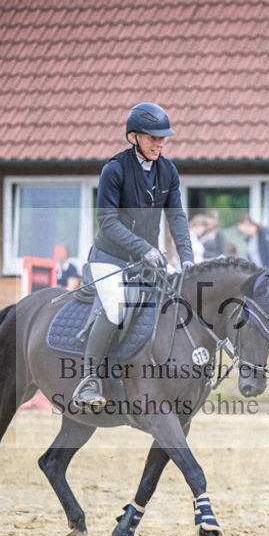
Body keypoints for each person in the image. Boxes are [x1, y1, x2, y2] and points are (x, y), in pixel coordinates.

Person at [72, 102, 195, 407]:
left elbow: (177, 217)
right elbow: (108, 221)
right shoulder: (114, 169)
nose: (160, 143)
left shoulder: (168, 171)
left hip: (145, 263)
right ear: (134, 136)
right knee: (115, 309)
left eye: (162, 138)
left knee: (171, 307)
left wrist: (188, 257)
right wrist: (145, 249)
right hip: (109, 259)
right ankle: (89, 379)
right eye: (153, 138)